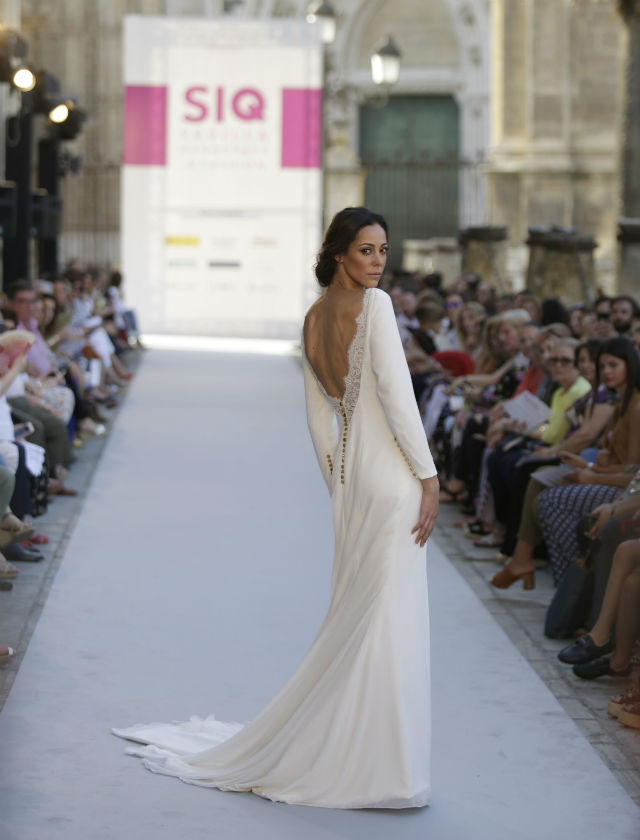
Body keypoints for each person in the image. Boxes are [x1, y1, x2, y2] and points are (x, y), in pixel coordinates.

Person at [113, 207, 440, 809]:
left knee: (361, 614)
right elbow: (397, 396)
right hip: (390, 475)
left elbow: (320, 416)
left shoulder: (314, 318)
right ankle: (377, 765)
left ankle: (356, 751)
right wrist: (429, 474)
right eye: (366, 250)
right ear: (340, 252)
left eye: (383, 251)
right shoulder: (377, 308)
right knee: (383, 618)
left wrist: (338, 483)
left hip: (355, 477)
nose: (377, 262)